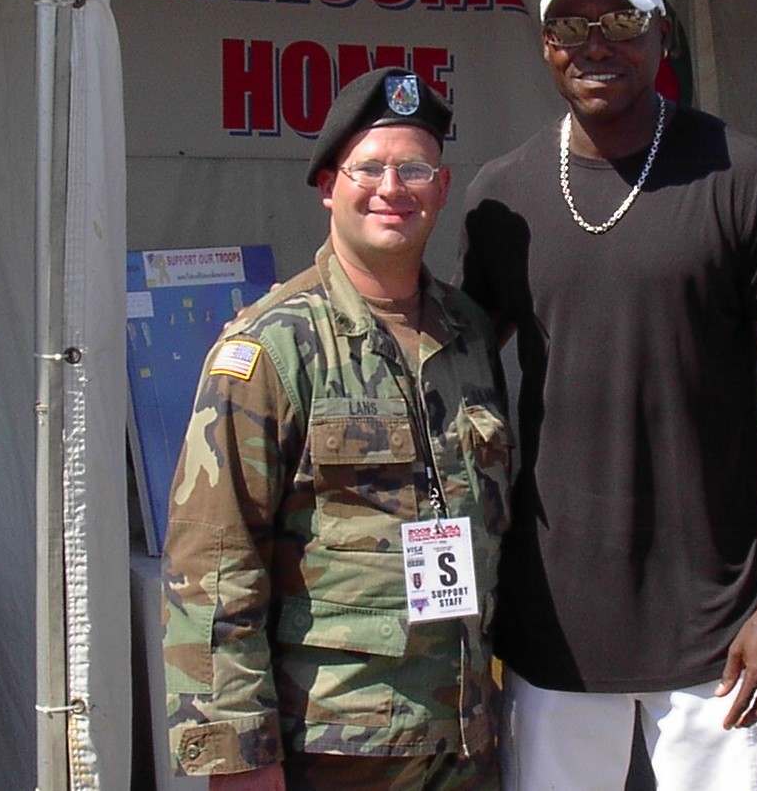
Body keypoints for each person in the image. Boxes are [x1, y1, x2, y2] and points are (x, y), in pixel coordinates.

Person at [458, 0, 757, 790]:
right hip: (555, 622)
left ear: (662, 31)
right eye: (569, 26)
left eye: (621, 20)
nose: (595, 44)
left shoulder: (740, 175)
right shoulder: (501, 196)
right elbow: (451, 359)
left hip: (719, 619)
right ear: (544, 45)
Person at [162, 68, 513, 791]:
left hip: (465, 738)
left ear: (443, 187)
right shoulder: (273, 347)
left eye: (415, 169)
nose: (393, 188)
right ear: (328, 185)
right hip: (335, 747)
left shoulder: (469, 334)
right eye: (369, 169)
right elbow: (214, 560)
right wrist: (238, 753)